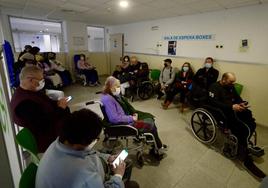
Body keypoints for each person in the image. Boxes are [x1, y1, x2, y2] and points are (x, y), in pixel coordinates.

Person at [36, 108, 139, 188]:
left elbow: (87, 152)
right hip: (93, 178)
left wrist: (107, 157)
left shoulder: (61, 142)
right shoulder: (82, 176)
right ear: (83, 142)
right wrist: (118, 176)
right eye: (96, 139)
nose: (96, 140)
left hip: (91, 170)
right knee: (132, 184)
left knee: (124, 162)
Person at [208, 72, 266, 180]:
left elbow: (237, 97)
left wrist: (241, 103)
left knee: (249, 117)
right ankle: (245, 158)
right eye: (231, 81)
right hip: (223, 111)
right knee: (241, 128)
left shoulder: (230, 86)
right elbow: (213, 102)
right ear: (224, 79)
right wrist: (231, 106)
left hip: (233, 109)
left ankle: (244, 142)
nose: (233, 84)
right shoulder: (214, 87)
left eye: (233, 82)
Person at [101, 76, 168, 157]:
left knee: (150, 120)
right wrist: (131, 118)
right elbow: (114, 118)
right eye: (117, 86)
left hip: (125, 120)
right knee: (151, 124)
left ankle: (155, 145)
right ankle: (157, 148)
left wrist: (131, 115)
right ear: (111, 87)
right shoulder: (108, 99)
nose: (119, 88)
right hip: (123, 125)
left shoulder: (111, 96)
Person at [10, 66, 70, 152]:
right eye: (41, 79)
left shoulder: (32, 91)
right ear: (30, 80)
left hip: (54, 125)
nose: (42, 82)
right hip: (47, 139)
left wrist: (58, 103)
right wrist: (60, 108)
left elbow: (46, 103)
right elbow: (45, 124)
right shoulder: (24, 104)